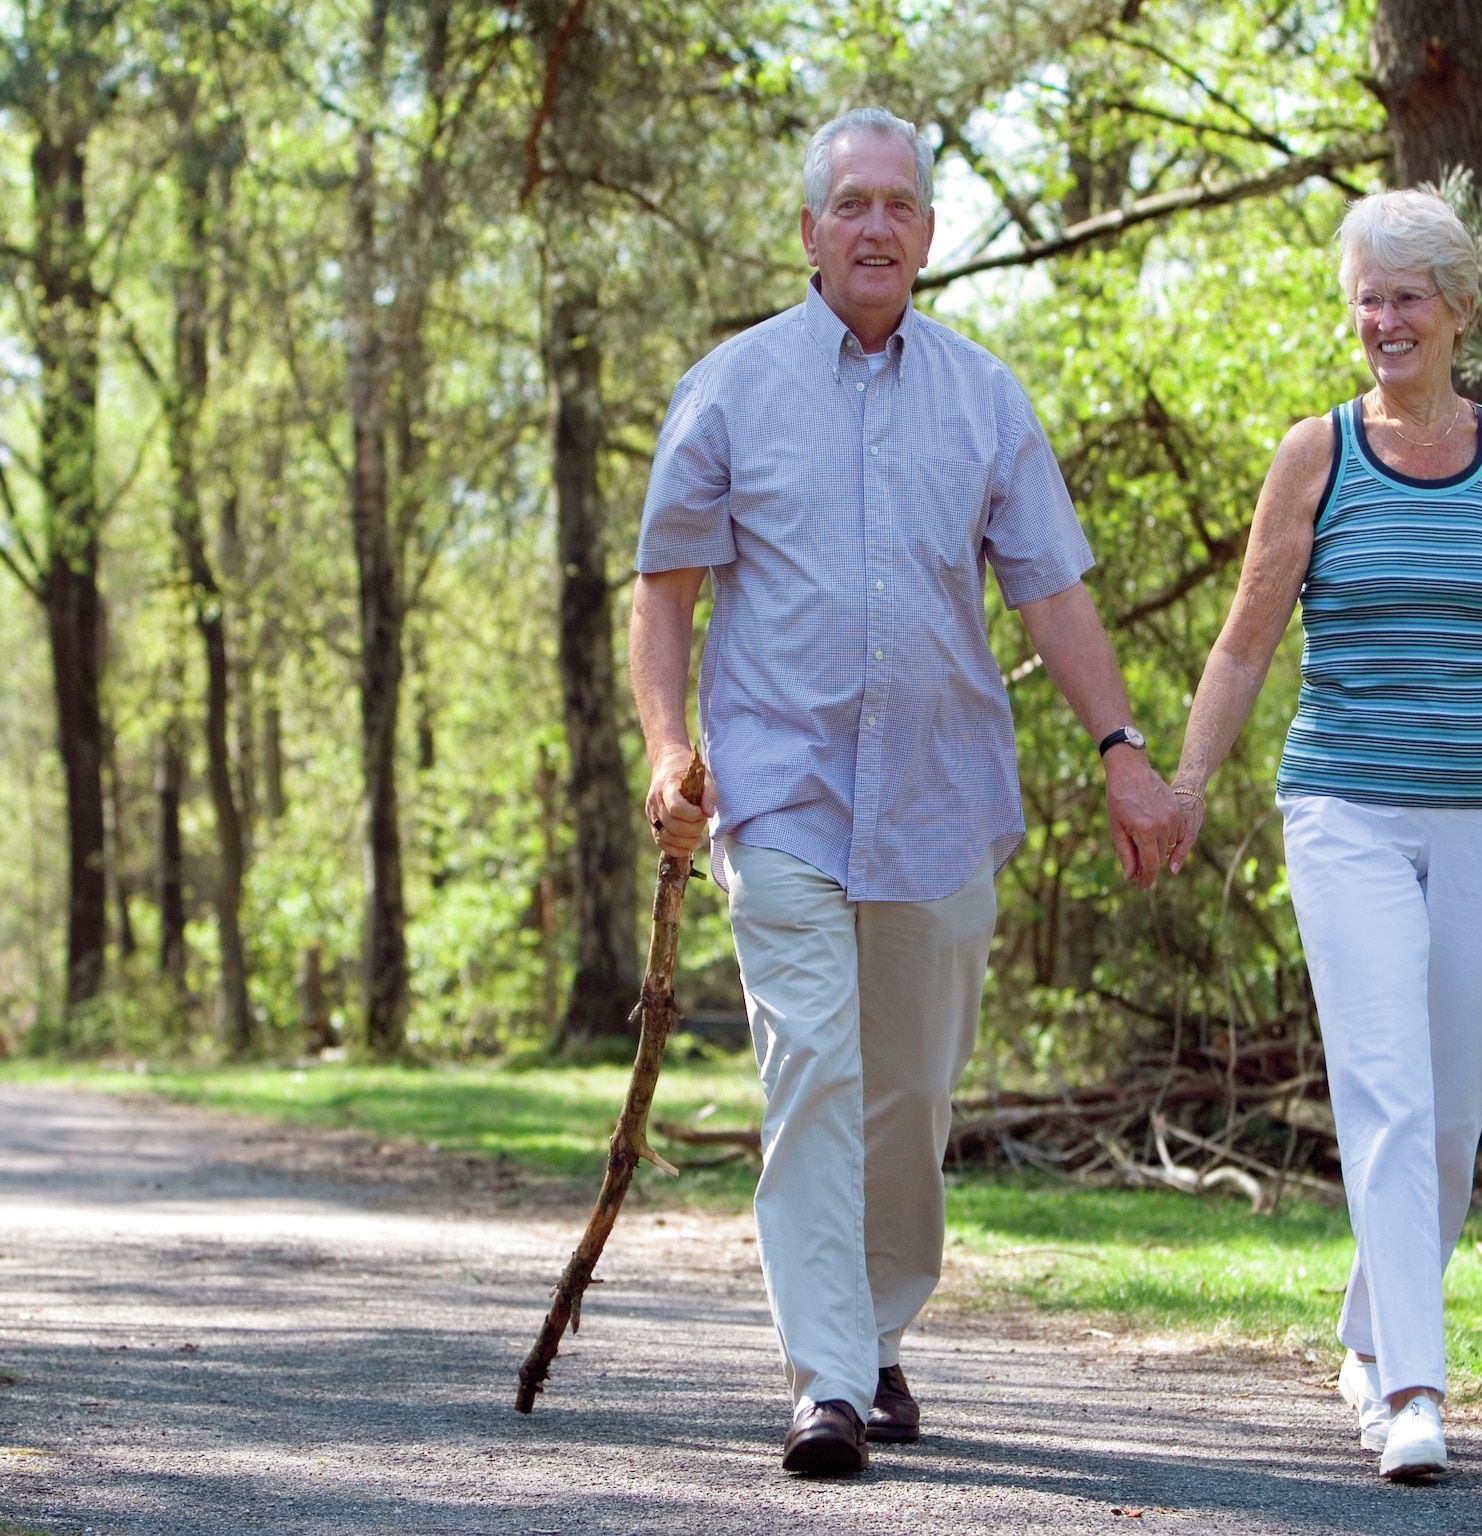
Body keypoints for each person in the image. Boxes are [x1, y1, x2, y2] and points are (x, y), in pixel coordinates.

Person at [629, 106, 1186, 1477]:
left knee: (911, 1097)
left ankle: (877, 1333)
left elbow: (1052, 593)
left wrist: (1123, 752)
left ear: (930, 235)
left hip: (940, 794)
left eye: (899, 206)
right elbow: (665, 590)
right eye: (851, 204)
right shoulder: (731, 388)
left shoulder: (985, 397)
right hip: (782, 788)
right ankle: (825, 1378)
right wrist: (664, 749)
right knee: (814, 1068)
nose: (875, 227)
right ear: (809, 231)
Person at [1165, 188, 1482, 1481]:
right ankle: (1415, 1394)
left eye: (1407, 297)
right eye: (1366, 299)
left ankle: (1371, 1337)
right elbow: (1245, 644)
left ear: (1458, 310)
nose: (1384, 320)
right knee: (1384, 1087)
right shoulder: (1314, 456)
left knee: (1447, 1112)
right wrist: (1188, 784)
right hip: (1346, 812)